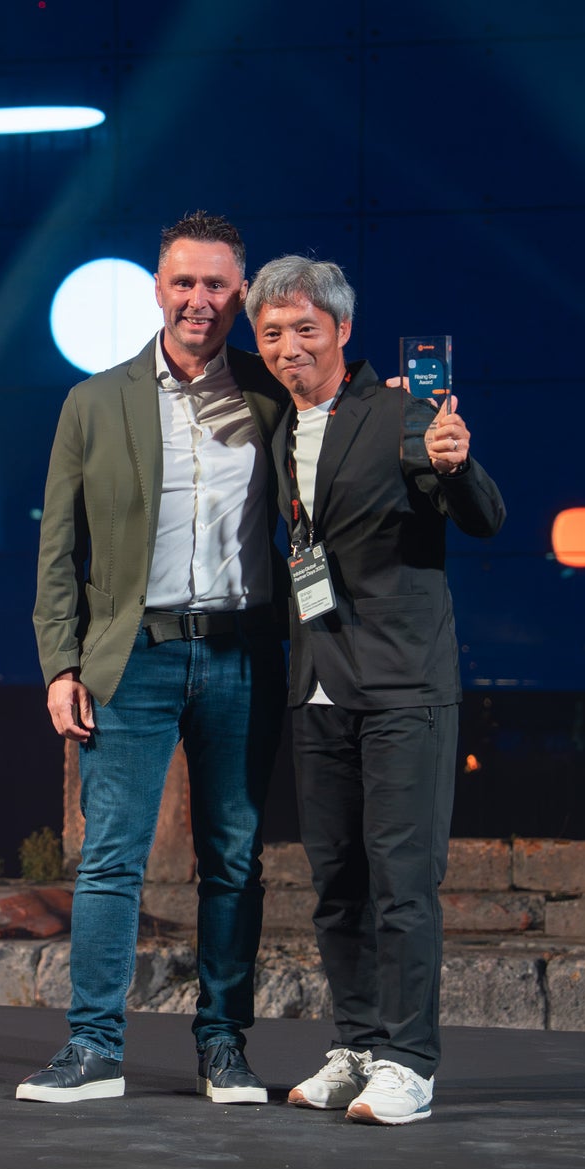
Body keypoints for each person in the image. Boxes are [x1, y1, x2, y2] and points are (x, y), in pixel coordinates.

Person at [23, 212, 288, 1104]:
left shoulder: (271, 396)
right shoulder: (94, 402)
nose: (198, 300)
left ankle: (223, 1047)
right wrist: (60, 666)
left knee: (234, 861)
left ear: (240, 295)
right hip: (131, 658)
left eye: (216, 284)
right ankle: (94, 1047)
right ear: (157, 289)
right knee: (111, 860)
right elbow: (58, 551)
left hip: (242, 655)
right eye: (184, 282)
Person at [246, 254, 504, 1125]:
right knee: (336, 885)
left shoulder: (405, 413)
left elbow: (484, 517)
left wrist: (457, 464)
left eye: (305, 329)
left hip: (402, 685)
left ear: (342, 331)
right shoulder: (277, 427)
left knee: (403, 883)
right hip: (317, 684)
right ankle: (356, 1046)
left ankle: (409, 1061)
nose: (289, 347)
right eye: (272, 333)